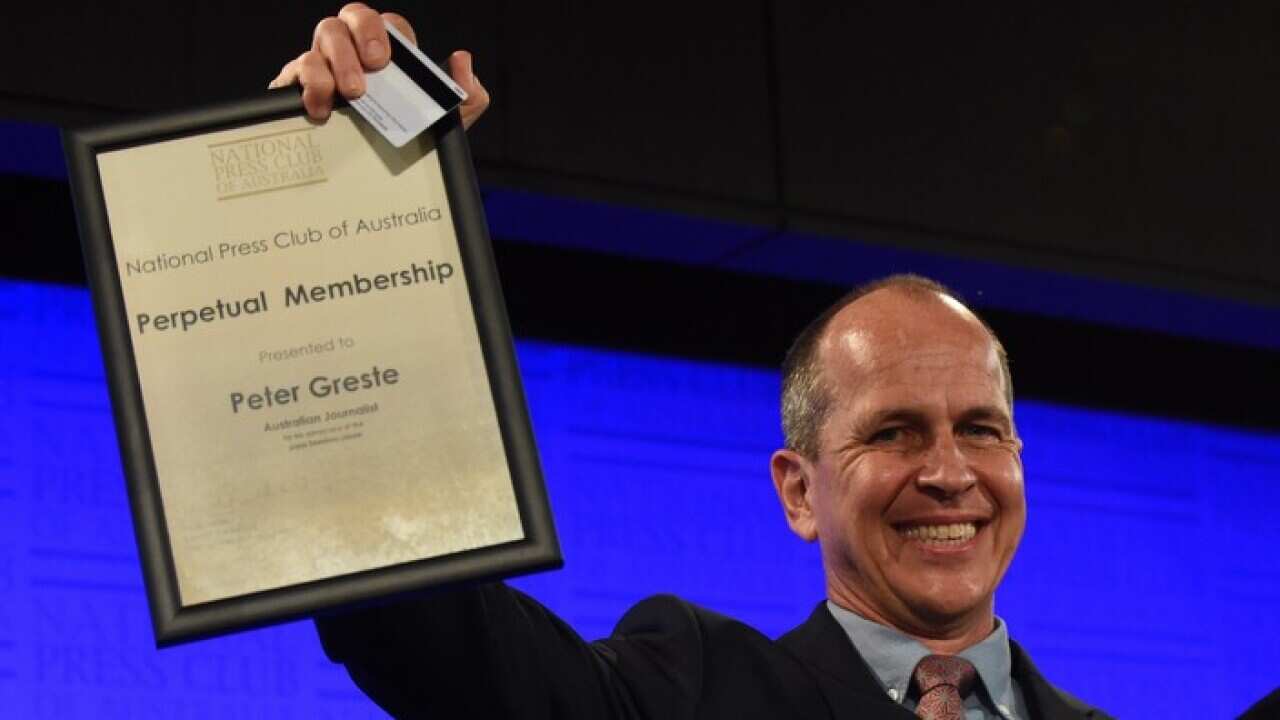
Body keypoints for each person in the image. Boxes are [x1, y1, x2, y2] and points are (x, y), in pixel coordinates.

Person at [282, 6, 1112, 718]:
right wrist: (352, 213)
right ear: (799, 491)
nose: (949, 473)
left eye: (982, 430)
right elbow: (430, 637)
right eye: (894, 432)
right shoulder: (692, 691)